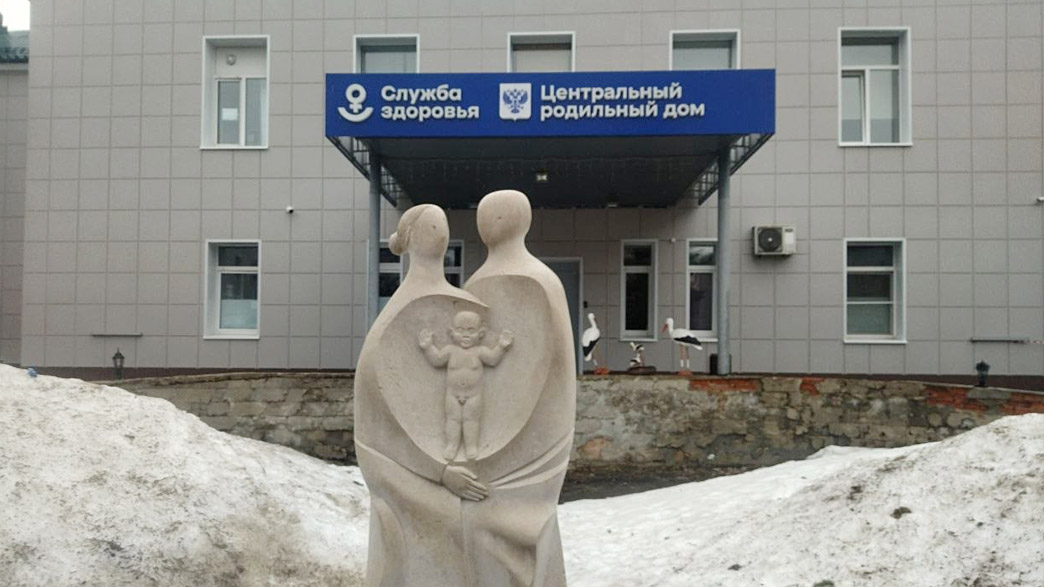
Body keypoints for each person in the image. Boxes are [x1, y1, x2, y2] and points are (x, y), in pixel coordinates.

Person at [419, 310, 514, 461]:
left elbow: (492, 360)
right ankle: (451, 445)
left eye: (471, 331)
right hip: (452, 395)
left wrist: (501, 347)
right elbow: (437, 360)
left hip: (473, 395)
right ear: (451, 332)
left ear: (481, 333)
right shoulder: (450, 350)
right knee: (453, 419)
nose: (465, 335)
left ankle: (471, 446)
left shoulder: (480, 351)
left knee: (471, 420)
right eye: (460, 330)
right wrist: (427, 347)